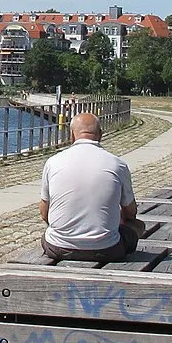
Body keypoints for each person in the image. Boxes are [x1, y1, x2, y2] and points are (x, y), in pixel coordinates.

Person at [39, 111, 142, 262]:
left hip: (57, 247)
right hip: (107, 249)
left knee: (49, 233)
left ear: (71, 135)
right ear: (100, 134)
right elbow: (130, 213)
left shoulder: (53, 162)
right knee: (138, 225)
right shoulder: (117, 164)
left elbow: (44, 213)